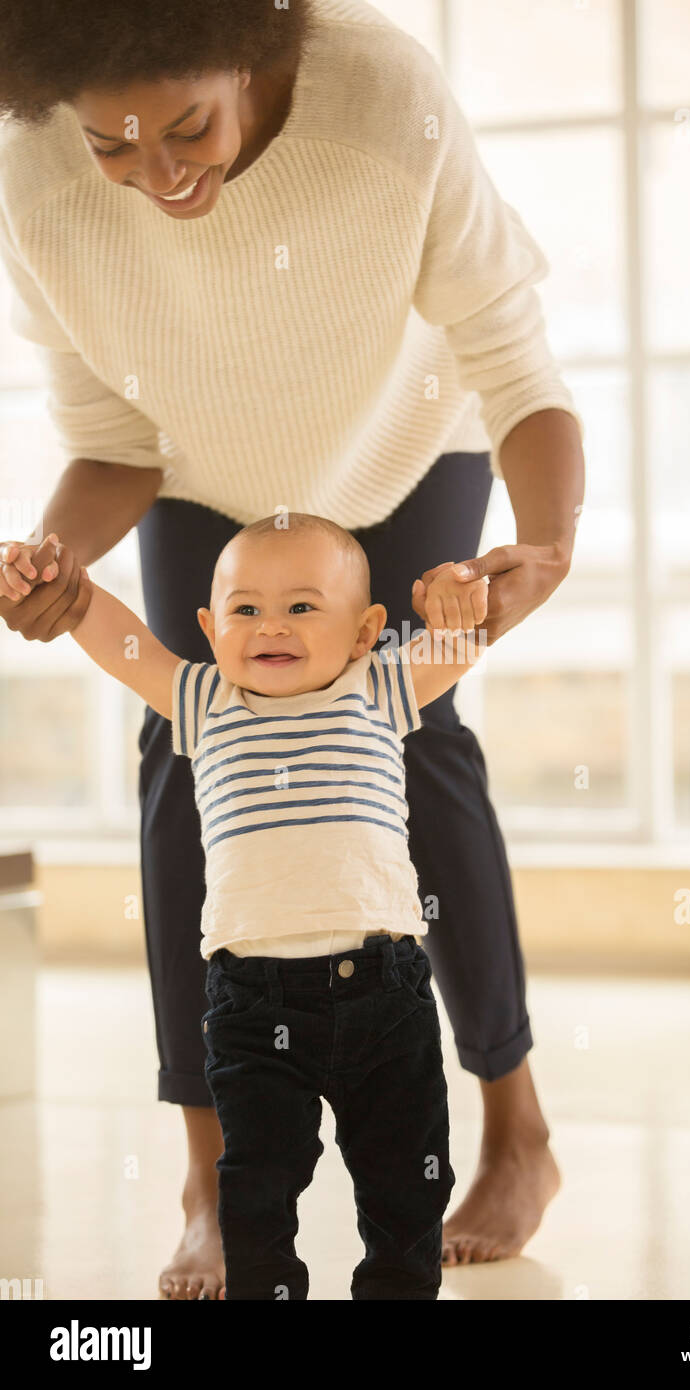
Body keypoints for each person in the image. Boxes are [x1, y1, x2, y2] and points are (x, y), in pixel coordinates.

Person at [0, 0, 585, 1296]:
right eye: (114, 147)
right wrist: (54, 563)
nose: (159, 176)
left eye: (191, 127)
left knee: (421, 750)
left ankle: (515, 1119)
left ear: (251, 58)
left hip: (406, 438)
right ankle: (210, 1175)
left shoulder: (382, 99)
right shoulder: (28, 160)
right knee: (179, 760)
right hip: (203, 479)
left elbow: (519, 371)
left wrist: (544, 545)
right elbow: (110, 436)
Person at [25, 512, 491, 1298]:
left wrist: (459, 600)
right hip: (251, 1001)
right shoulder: (203, 699)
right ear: (210, 628)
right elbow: (116, 637)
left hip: (384, 993)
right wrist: (61, 589)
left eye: (303, 607)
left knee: (405, 1183)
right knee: (255, 1189)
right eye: (245, 610)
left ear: (365, 630)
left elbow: (466, 640)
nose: (271, 625)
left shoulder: (378, 685)